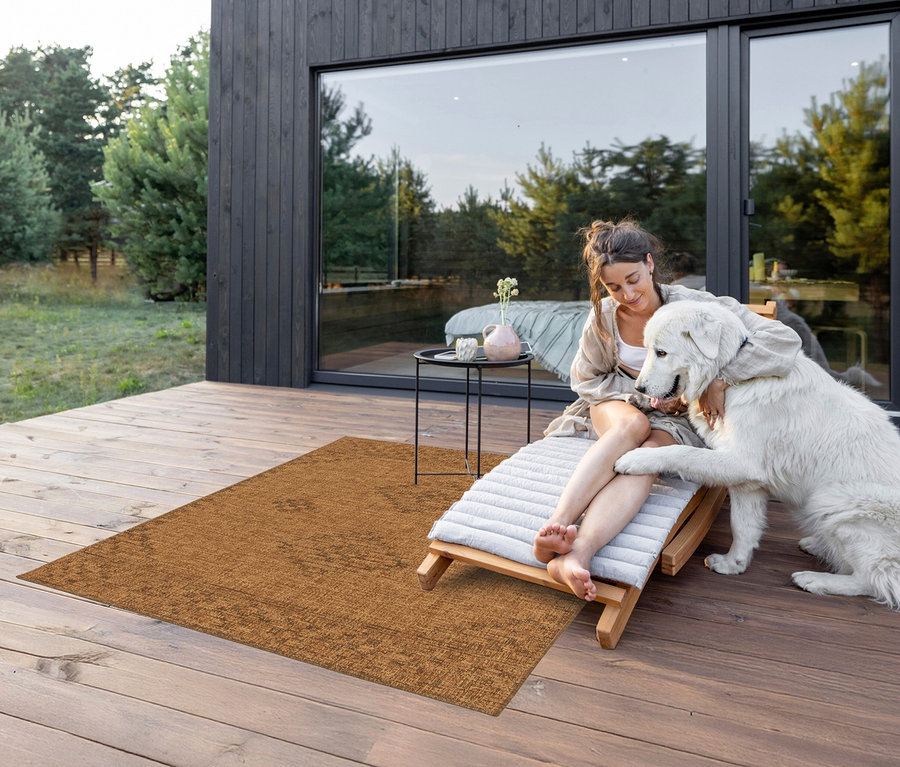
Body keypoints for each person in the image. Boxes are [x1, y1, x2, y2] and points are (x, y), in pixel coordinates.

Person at [534, 219, 802, 600]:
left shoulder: (694, 308)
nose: (626, 293)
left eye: (632, 279)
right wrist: (643, 398)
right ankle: (556, 527)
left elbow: (783, 340)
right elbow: (587, 379)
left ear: (649, 263)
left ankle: (577, 553)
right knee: (633, 427)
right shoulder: (604, 318)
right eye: (613, 286)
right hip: (619, 406)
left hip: (676, 419)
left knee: (650, 456)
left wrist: (718, 378)